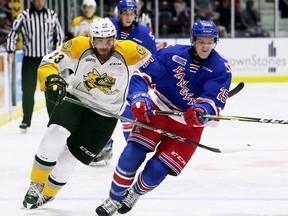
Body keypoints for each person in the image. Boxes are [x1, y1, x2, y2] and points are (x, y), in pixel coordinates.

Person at [95, 19, 232, 216]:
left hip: (188, 124)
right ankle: (114, 199)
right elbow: (142, 76)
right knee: (131, 155)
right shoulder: (171, 53)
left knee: (158, 170)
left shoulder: (221, 68)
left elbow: (214, 100)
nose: (205, 46)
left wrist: (201, 112)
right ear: (193, 40)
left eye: (210, 42)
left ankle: (134, 193)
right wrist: (140, 98)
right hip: (159, 110)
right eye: (201, 41)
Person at [21, 17, 151, 210]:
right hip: (77, 100)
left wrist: (147, 96)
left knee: (70, 157)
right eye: (99, 40)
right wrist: (52, 79)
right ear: (91, 39)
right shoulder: (78, 45)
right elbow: (49, 62)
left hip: (107, 114)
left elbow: (157, 70)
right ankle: (36, 184)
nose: (105, 45)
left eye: (109, 40)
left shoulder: (131, 51)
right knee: (55, 134)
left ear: (115, 38)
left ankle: (48, 194)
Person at [89, 0, 157, 166]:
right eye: (125, 13)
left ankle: (133, 151)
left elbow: (153, 60)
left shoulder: (144, 33)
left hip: (130, 81)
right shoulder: (110, 26)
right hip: (108, 81)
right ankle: (105, 148)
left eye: (131, 14)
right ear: (119, 14)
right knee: (102, 116)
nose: (128, 17)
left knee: (128, 117)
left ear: (136, 15)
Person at [5, 0, 64, 132]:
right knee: (27, 90)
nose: (39, 2)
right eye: (36, 0)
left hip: (47, 60)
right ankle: (26, 120)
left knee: (51, 89)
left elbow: (59, 36)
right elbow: (13, 33)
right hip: (29, 59)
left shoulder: (51, 15)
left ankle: (53, 121)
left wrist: (58, 55)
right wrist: (10, 51)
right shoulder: (24, 16)